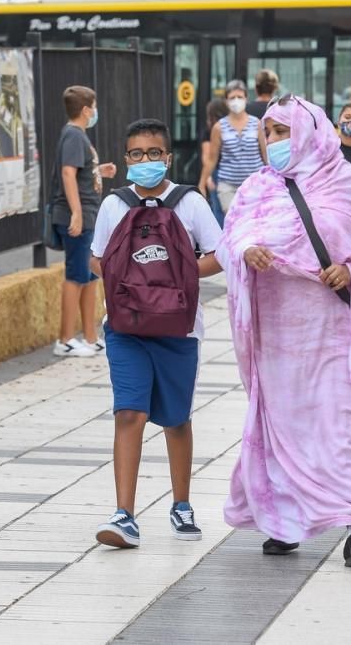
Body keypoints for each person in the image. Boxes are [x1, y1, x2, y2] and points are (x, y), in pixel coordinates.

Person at [217, 94, 351, 564]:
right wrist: (246, 252)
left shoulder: (349, 187)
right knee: (282, 428)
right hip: (277, 338)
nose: (275, 141)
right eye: (270, 133)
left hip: (333, 332)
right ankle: (282, 524)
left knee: (339, 426)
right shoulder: (257, 188)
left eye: (283, 131)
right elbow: (230, 238)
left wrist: (350, 271)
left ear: (311, 131)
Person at [90, 119, 223, 549]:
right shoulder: (115, 205)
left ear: (168, 157)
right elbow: (97, 259)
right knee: (129, 412)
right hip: (126, 327)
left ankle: (181, 504)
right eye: (136, 154)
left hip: (179, 329)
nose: (144, 161)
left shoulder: (190, 203)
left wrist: (173, 278)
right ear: (126, 158)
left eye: (153, 153)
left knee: (176, 418)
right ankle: (124, 513)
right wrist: (133, 283)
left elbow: (220, 254)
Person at [50, 85, 116, 358]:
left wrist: (99, 171)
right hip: (77, 215)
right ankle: (65, 339)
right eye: (94, 106)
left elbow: (78, 172)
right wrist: (76, 212)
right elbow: (67, 173)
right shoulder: (73, 136)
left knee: (89, 276)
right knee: (75, 275)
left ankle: (89, 336)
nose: (96, 111)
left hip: (88, 214)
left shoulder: (77, 137)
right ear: (87, 109)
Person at [200, 80, 268, 217]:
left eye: (240, 97)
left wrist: (278, 176)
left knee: (253, 222)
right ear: (226, 101)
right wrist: (202, 183)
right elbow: (212, 159)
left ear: (246, 99)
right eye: (232, 98)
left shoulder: (257, 124)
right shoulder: (219, 127)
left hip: (255, 184)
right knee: (234, 221)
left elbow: (265, 155)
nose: (236, 101)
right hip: (228, 185)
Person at [201, 98, 229, 225]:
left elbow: (207, 155)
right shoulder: (232, 128)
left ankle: (221, 239)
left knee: (218, 210)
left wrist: (207, 178)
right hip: (231, 172)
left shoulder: (209, 131)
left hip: (217, 173)